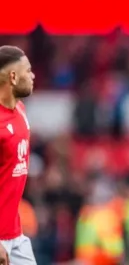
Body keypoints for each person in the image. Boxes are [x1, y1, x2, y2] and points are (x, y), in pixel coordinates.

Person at [0, 46, 37, 265]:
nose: (32, 75)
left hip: (16, 235)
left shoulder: (21, 109)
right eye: (28, 70)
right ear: (13, 77)